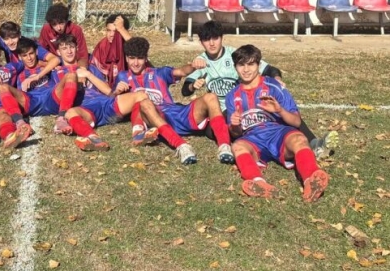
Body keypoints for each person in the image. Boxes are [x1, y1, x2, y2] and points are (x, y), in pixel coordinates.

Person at [183, 20, 337, 159]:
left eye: (215, 38)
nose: (211, 43)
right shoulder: (200, 61)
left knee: (284, 112)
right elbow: (185, 90)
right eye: (206, 39)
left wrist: (277, 79)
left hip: (244, 104)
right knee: (213, 131)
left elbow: (270, 69)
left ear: (222, 38)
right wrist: (192, 86)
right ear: (201, 42)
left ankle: (315, 143)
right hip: (223, 110)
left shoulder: (236, 56)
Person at [225, 45, 329, 201]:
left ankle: (311, 179)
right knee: (237, 146)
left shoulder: (274, 86)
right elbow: (236, 134)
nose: (246, 70)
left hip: (278, 135)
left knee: (299, 139)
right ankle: (258, 183)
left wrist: (280, 110)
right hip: (252, 139)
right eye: (241, 65)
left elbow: (296, 121)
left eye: (251, 64)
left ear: (259, 65)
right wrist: (234, 125)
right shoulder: (232, 96)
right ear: (235, 67)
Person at [114, 37, 234, 165]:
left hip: (177, 112)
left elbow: (181, 71)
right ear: (126, 58)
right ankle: (182, 146)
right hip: (158, 118)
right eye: (132, 58)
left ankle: (224, 146)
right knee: (144, 103)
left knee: (211, 97)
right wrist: (116, 92)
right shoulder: (123, 77)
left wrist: (193, 66)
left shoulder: (159, 73)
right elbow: (113, 106)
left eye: (140, 58)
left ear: (146, 58)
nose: (136, 63)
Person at [0, 38, 79, 133]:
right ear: (19, 57)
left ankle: (62, 119)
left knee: (71, 75)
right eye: (25, 55)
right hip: (30, 101)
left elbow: (56, 60)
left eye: (31, 53)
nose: (29, 58)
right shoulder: (17, 69)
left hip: (51, 97)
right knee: (2, 87)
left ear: (36, 52)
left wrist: (39, 75)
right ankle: (20, 123)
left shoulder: (47, 66)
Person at [38, 3, 89, 68]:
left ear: (66, 21)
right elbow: (42, 51)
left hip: (72, 61)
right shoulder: (46, 29)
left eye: (61, 23)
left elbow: (83, 55)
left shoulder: (76, 30)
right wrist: (51, 64)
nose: (59, 28)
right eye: (54, 24)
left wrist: (81, 69)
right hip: (54, 62)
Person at [90, 14, 132, 89]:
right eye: (109, 30)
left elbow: (137, 49)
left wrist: (121, 29)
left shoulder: (128, 44)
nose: (111, 34)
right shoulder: (102, 45)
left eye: (116, 32)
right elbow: (94, 68)